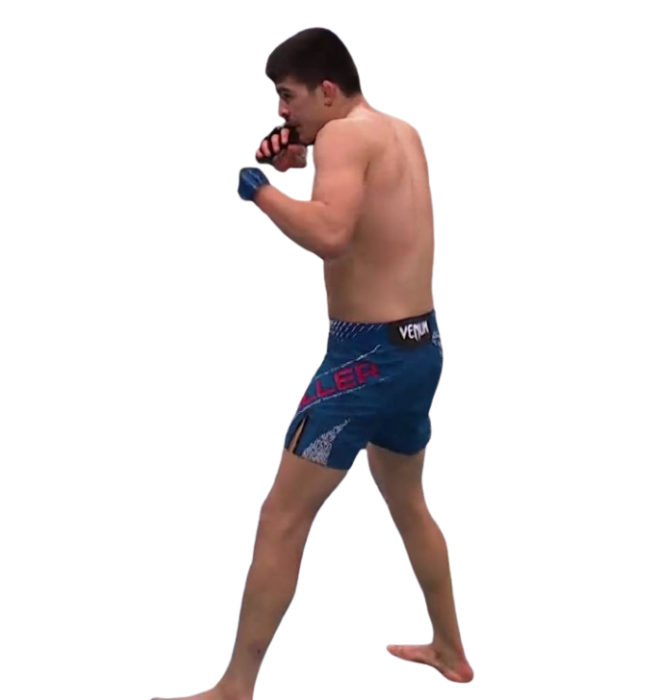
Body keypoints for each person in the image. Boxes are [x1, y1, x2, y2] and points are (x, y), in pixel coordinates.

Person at [152, 26, 474, 700]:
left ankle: (235, 687)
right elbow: (375, 215)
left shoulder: (343, 138)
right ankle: (450, 649)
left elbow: (331, 234)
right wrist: (303, 168)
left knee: (282, 519)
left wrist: (259, 190)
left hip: (365, 357)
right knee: (410, 504)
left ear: (327, 90)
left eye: (287, 96)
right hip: (422, 347)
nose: (280, 111)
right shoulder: (400, 130)